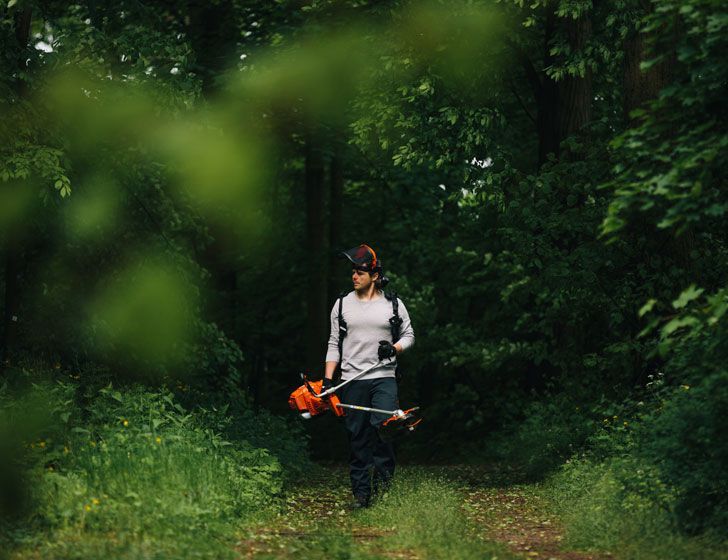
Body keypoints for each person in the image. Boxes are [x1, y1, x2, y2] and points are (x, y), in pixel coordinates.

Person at [323, 244, 415, 509]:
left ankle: (382, 493)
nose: (354, 276)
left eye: (360, 271)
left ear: (374, 275)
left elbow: (409, 336)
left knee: (385, 431)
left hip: (384, 377)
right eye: (353, 271)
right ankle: (362, 497)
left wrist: (394, 348)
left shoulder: (394, 305)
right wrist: (329, 380)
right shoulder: (341, 305)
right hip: (352, 379)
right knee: (358, 439)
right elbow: (333, 343)